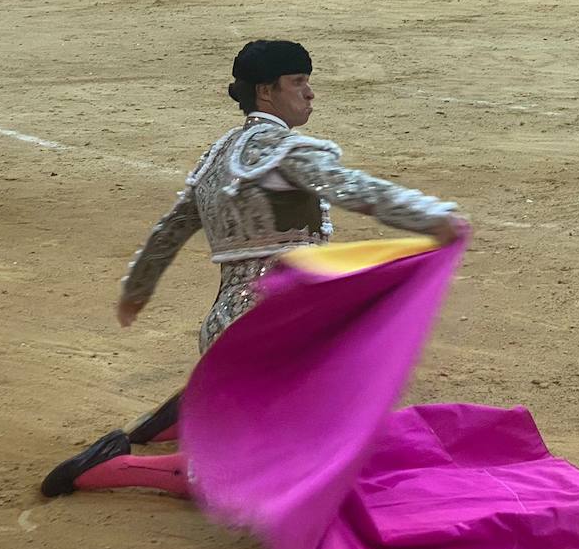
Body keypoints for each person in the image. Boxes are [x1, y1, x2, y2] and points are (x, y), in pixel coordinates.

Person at [40, 41, 467, 497]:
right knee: (251, 478)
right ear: (266, 92)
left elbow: (172, 229)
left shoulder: (218, 156)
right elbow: (356, 189)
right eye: (298, 82)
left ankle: (193, 412)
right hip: (277, 328)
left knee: (314, 442)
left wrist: (137, 289)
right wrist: (433, 218)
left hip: (230, 324)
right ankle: (107, 467)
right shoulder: (284, 151)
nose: (309, 93)